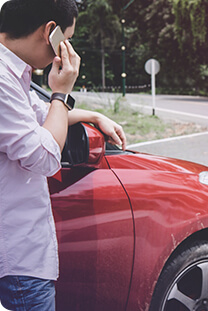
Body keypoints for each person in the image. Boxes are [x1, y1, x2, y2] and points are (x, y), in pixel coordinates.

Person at [0, 0, 126, 310]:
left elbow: (40, 113)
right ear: (50, 32)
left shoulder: (11, 72)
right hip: (17, 258)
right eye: (65, 39)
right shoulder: (2, 80)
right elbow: (43, 156)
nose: (64, 49)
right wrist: (61, 91)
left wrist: (93, 115)